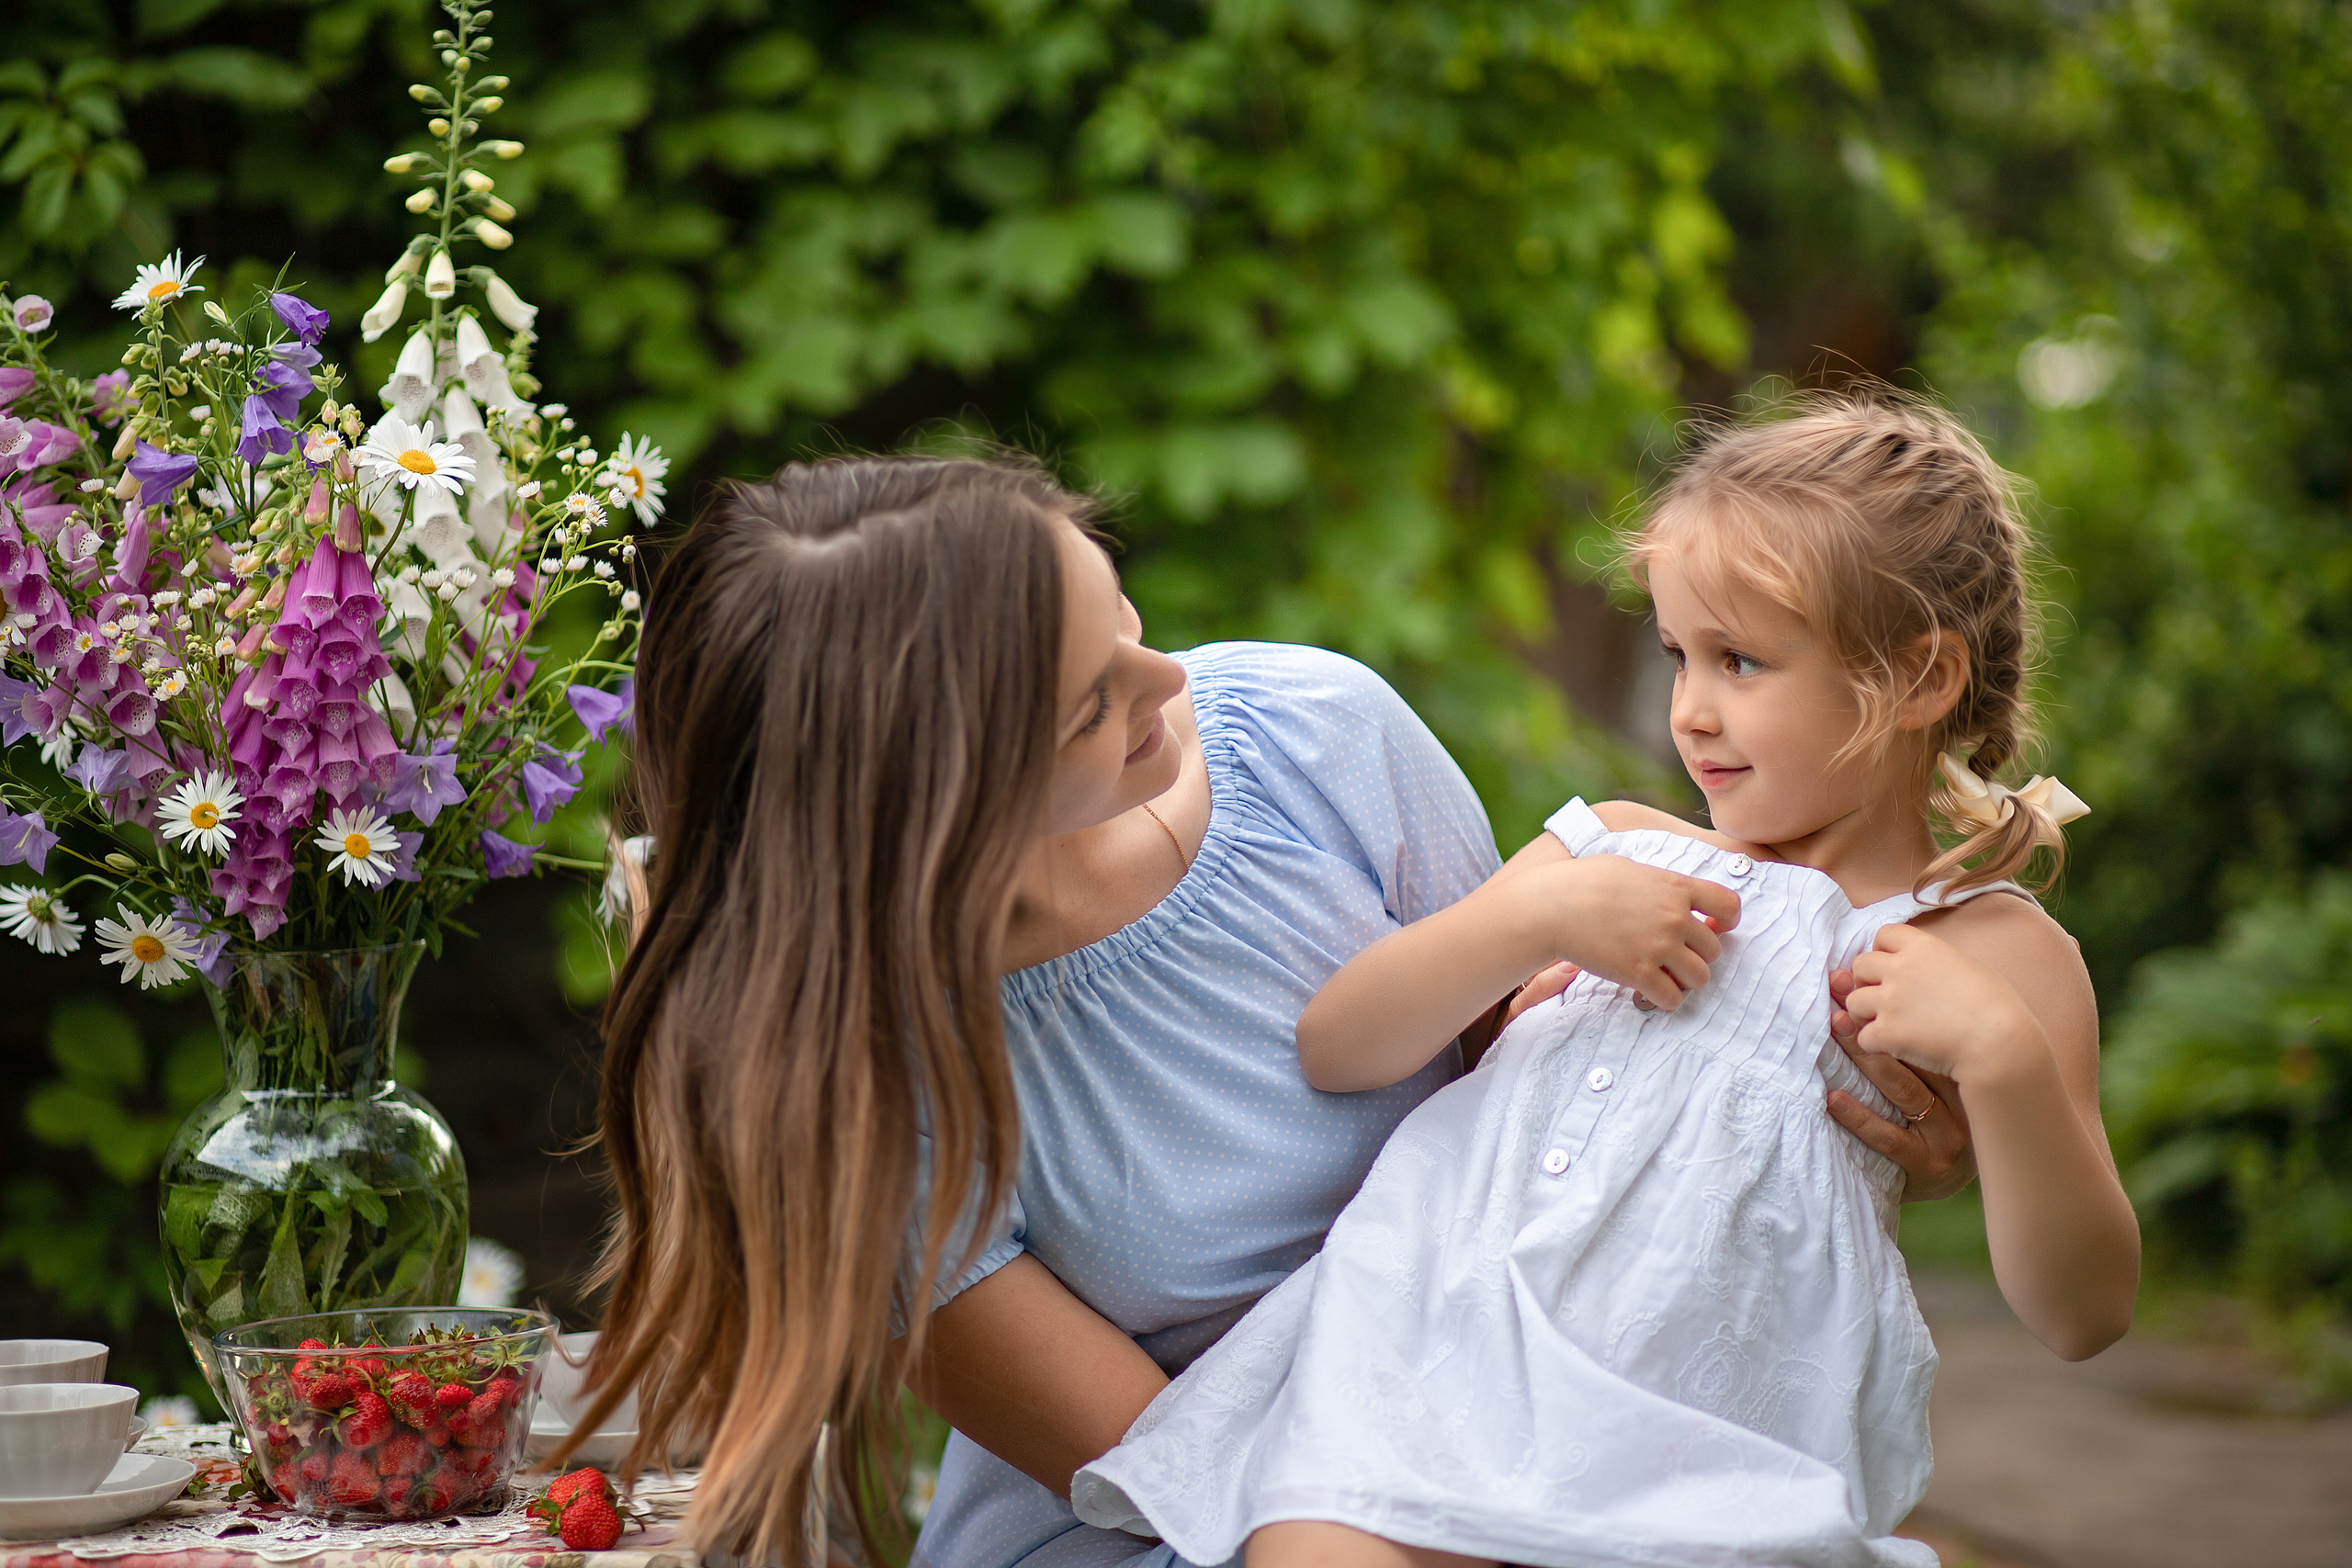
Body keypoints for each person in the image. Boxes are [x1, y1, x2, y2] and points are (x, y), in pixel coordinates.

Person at [586, 451, 1982, 1568]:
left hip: (1534, 1441)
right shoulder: (869, 1086)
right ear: (934, 802)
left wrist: (1828, 1104)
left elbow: (1553, 1093)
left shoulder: (1315, 735)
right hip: (1218, 1517)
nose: (1172, 681)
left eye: (1128, 624)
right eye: (1093, 702)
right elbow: (1180, 1468)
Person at [1071, 392, 2143, 1568]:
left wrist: (2005, 1062)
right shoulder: (1617, 848)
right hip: (1433, 1340)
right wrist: (1532, 915)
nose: (1691, 707)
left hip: (1705, 1425)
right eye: (1678, 653)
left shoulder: (1993, 954)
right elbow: (1341, 1043)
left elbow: (2082, 1312)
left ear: (1920, 680)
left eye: (1741, 661)